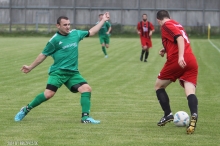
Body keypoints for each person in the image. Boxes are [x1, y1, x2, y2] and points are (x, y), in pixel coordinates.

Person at [14, 12, 110, 124]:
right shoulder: (54, 40)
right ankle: (26, 109)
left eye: (69, 24)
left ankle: (85, 118)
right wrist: (30, 67)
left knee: (86, 89)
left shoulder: (75, 34)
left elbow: (92, 32)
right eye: (65, 25)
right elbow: (43, 55)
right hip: (58, 72)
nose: (68, 27)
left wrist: (103, 20)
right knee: (48, 94)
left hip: (72, 73)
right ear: (58, 26)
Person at [155, 10, 198, 134]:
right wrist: (165, 49)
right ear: (169, 17)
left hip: (178, 60)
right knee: (190, 91)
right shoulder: (177, 24)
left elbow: (179, 38)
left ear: (159, 20)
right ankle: (194, 114)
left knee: (159, 86)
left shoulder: (165, 25)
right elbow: (180, 38)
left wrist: (180, 57)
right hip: (191, 60)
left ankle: (168, 114)